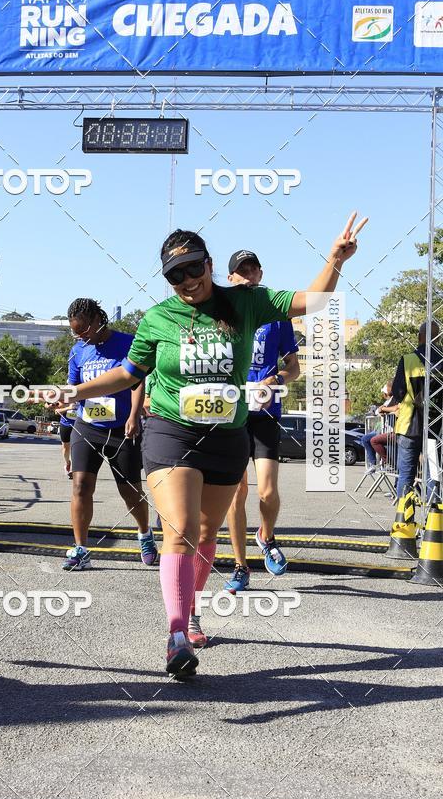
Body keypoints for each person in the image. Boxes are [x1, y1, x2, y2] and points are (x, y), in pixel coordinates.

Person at [52, 214, 368, 676]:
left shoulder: (245, 303)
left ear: (210, 264)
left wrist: (334, 260)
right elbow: (129, 374)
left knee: (204, 536)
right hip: (170, 430)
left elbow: (314, 301)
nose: (186, 281)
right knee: (179, 528)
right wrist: (76, 392)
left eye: (193, 269)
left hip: (226, 436)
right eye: (174, 275)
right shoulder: (159, 318)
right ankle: (176, 634)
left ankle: (192, 609)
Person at [222, 249, 300, 593]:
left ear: (260, 274)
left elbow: (294, 367)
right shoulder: (219, 315)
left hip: (266, 412)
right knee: (235, 492)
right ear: (230, 278)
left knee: (267, 491)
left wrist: (276, 381)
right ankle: (240, 566)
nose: (248, 276)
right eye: (241, 272)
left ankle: (266, 536)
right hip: (231, 413)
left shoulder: (276, 316)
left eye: (253, 270)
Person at [62, 298, 157, 570]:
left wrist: (133, 415)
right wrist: (62, 402)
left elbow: (137, 380)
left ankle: (144, 533)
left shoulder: (128, 342)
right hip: (87, 426)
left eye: (83, 330)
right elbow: (73, 389)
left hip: (121, 429)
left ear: (97, 320)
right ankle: (81, 549)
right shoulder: (78, 351)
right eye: (75, 332)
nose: (80, 336)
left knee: (130, 491)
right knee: (80, 485)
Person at [390, 321, 441, 500]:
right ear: (439, 338)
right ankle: (433, 522)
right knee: (433, 476)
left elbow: (397, 393)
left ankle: (404, 520)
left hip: (409, 427)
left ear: (419, 337)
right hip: (437, 428)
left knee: (406, 476)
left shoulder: (408, 360)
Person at [361, 382, 398, 472]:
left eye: (384, 392)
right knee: (365, 439)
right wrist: (381, 409)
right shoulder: (387, 401)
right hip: (383, 428)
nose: (383, 394)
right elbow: (378, 411)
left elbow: (395, 409)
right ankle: (373, 464)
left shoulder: (395, 399)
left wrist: (384, 409)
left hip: (390, 430)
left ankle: (388, 463)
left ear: (386, 393)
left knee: (374, 440)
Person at [58, 405, 77, 479]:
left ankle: (73, 469)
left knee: (76, 447)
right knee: (66, 448)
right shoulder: (65, 397)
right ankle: (67, 463)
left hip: (79, 425)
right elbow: (57, 411)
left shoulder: (83, 396)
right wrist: (69, 408)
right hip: (65, 424)